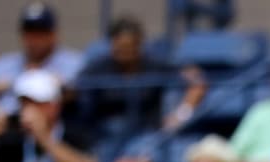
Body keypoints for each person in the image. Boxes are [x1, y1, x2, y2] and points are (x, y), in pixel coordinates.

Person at [74, 15, 207, 135]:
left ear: (139, 45)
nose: (125, 53)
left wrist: (181, 115)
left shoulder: (155, 65)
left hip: (148, 134)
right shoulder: (97, 68)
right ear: (112, 44)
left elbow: (196, 82)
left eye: (129, 48)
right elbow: (74, 90)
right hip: (106, 136)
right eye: (120, 48)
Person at [0, 3, 84, 113]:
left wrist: (56, 87)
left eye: (40, 33)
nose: (34, 40)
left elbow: (79, 92)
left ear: (53, 34)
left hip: (49, 126)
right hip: (4, 124)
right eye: (29, 33)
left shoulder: (72, 63)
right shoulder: (8, 62)